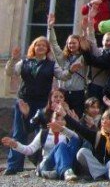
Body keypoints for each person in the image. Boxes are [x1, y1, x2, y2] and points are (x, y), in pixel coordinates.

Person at [3, 37, 72, 175]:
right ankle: (14, 165)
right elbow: (9, 72)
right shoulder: (24, 62)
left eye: (43, 46)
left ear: (47, 49)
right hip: (24, 102)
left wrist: (71, 70)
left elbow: (63, 76)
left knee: (40, 133)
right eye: (37, 45)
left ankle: (40, 164)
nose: (40, 47)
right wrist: (13, 59)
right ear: (33, 48)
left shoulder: (52, 65)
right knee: (19, 132)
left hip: (42, 103)